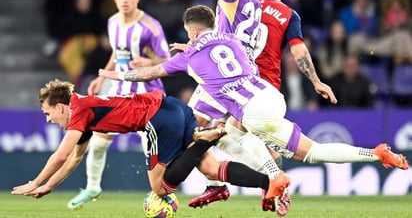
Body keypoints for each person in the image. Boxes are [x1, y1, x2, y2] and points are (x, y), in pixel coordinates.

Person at [99, 4, 409, 208]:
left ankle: (275, 176)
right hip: (271, 95)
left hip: (251, 109)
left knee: (226, 136)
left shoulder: (188, 57)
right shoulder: (231, 39)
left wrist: (114, 74)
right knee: (312, 151)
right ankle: (376, 153)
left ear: (191, 31)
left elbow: (150, 72)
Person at [11, 80, 287, 209]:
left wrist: (35, 181)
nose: (48, 120)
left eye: (48, 113)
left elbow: (60, 155)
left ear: (60, 106)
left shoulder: (78, 109)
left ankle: (207, 138)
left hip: (157, 119)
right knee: (213, 171)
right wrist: (49, 186)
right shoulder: (84, 115)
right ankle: (269, 183)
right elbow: (72, 159)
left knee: (160, 186)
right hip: (174, 107)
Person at [168, 0, 285, 211]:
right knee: (217, 135)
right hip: (237, 68)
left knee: (190, 131)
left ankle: (270, 177)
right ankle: (230, 182)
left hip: (224, 74)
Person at [68, 0, 171, 210]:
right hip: (119, 91)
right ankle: (93, 187)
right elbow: (117, 53)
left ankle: (163, 194)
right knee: (98, 142)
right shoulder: (113, 21)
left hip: (147, 95)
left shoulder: (150, 27)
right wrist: (102, 77)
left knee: (153, 151)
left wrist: (148, 63)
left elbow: (167, 61)